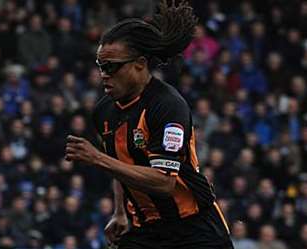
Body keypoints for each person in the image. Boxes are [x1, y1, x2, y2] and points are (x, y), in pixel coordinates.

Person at [65, 1, 233, 248]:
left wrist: (97, 159)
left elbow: (164, 182)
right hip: (147, 230)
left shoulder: (167, 106)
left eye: (111, 67)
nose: (104, 74)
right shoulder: (104, 111)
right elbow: (121, 164)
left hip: (195, 229)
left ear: (140, 64)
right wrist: (120, 211)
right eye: (101, 66)